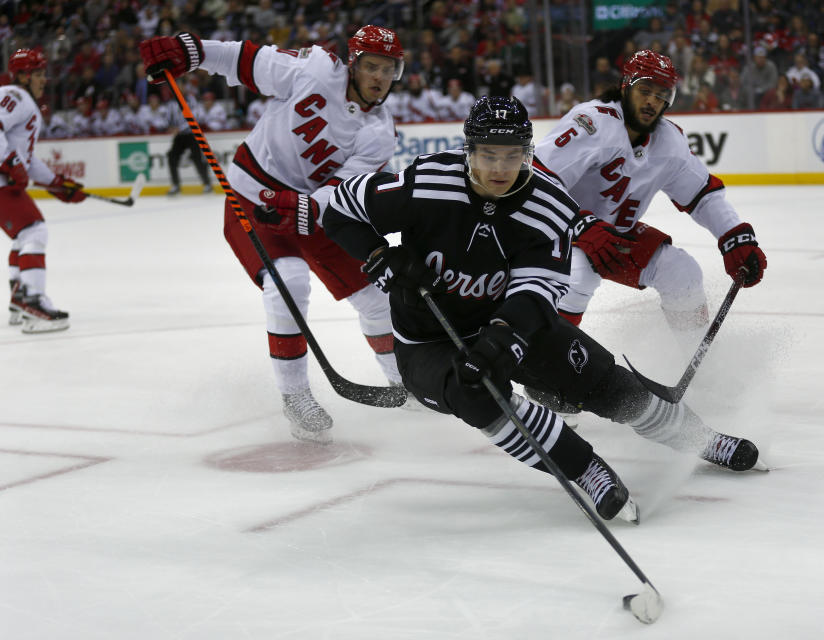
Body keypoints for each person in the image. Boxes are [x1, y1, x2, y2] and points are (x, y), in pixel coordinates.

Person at [255, 96, 762, 526]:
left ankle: (699, 439)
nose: (499, 168)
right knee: (477, 392)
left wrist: (502, 340)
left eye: (513, 155)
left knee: (602, 380)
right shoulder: (426, 182)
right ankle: (583, 468)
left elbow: (534, 294)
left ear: (528, 153)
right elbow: (339, 209)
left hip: (513, 322)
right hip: (428, 342)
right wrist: (379, 257)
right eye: (488, 154)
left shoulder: (550, 206)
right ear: (468, 150)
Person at [139, 26, 407, 443]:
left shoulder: (379, 133)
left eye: (389, 70)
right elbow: (245, 60)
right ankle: (295, 395)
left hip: (313, 216)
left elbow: (342, 192)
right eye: (372, 66)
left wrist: (308, 208)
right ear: (353, 64)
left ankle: (403, 384)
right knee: (288, 283)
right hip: (254, 199)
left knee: (377, 297)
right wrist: (190, 52)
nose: (380, 78)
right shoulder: (315, 69)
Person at [533, 50, 767, 340]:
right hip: (556, 231)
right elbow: (536, 178)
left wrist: (733, 235)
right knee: (579, 274)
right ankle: (545, 365)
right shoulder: (591, 123)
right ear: (626, 87)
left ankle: (692, 360)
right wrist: (579, 223)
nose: (652, 102)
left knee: (682, 272)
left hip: (613, 237)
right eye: (645, 90)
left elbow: (703, 194)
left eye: (661, 95)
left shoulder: (670, 142)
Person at [2, 48, 86, 333]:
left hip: (4, 179)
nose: (43, 79)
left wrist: (57, 183)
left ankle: (19, 300)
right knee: (34, 232)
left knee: (22, 236)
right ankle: (34, 302)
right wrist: (8, 161)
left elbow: (26, 157)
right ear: (23, 76)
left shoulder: (25, 102)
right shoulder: (16, 95)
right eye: (37, 74)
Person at [163, 80, 213, 196]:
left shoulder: (191, 100)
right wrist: (170, 126)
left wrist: (179, 128)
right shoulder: (171, 103)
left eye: (181, 86)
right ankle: (176, 185)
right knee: (172, 157)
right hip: (180, 136)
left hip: (192, 134)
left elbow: (195, 117)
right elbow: (168, 119)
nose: (180, 88)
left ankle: (207, 183)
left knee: (197, 158)